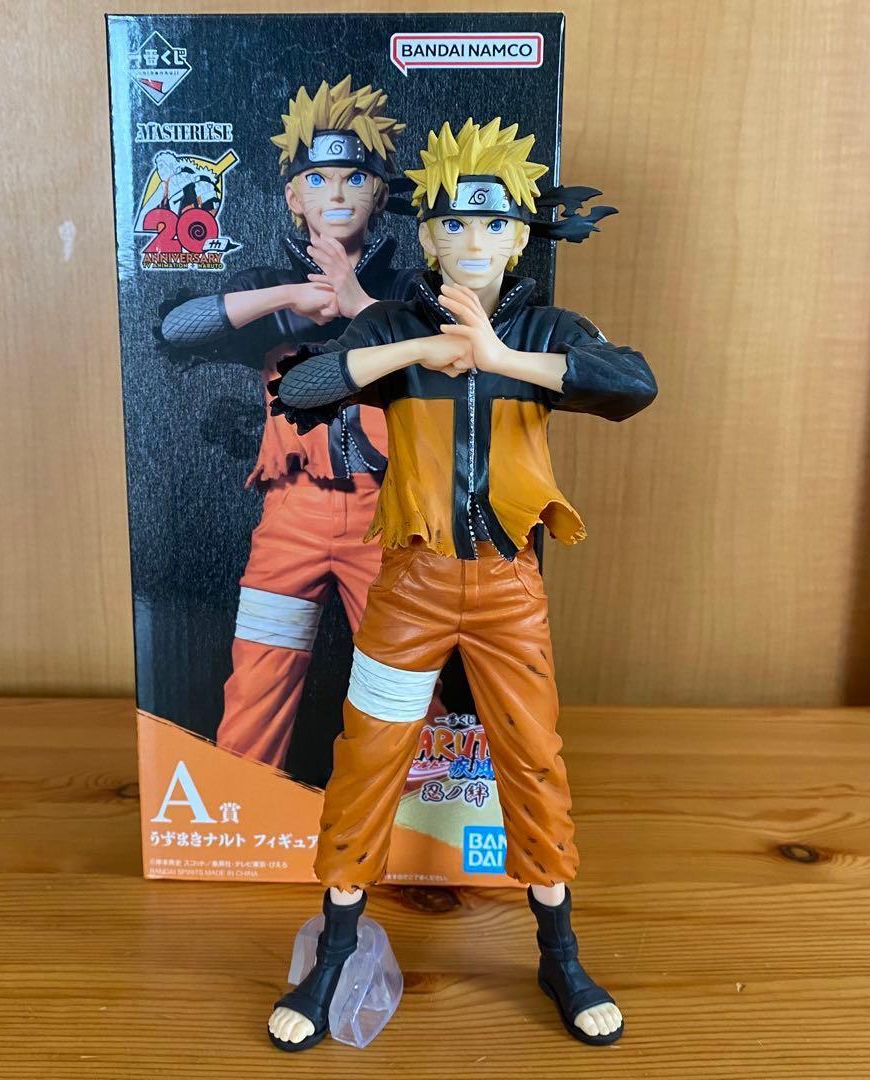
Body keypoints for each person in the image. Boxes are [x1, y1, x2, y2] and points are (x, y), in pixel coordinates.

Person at [265, 117, 657, 1051]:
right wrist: (415, 354)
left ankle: (559, 952)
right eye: (453, 224)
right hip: (410, 585)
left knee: (532, 756)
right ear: (429, 236)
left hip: (508, 589)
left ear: (520, 238)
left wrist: (502, 360)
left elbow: (632, 383)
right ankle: (334, 955)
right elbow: (302, 389)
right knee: (369, 757)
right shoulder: (393, 325)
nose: (473, 241)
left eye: (494, 225)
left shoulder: (545, 330)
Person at [157, 76, 432, 770]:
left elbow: (450, 362)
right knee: (258, 682)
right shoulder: (266, 285)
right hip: (293, 514)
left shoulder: (410, 288)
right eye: (317, 179)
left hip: (388, 516)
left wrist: (359, 303)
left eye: (354, 179)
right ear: (292, 196)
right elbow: (177, 329)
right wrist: (287, 295)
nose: (336, 194)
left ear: (379, 194)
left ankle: (413, 819)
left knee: (404, 688)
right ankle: (243, 808)